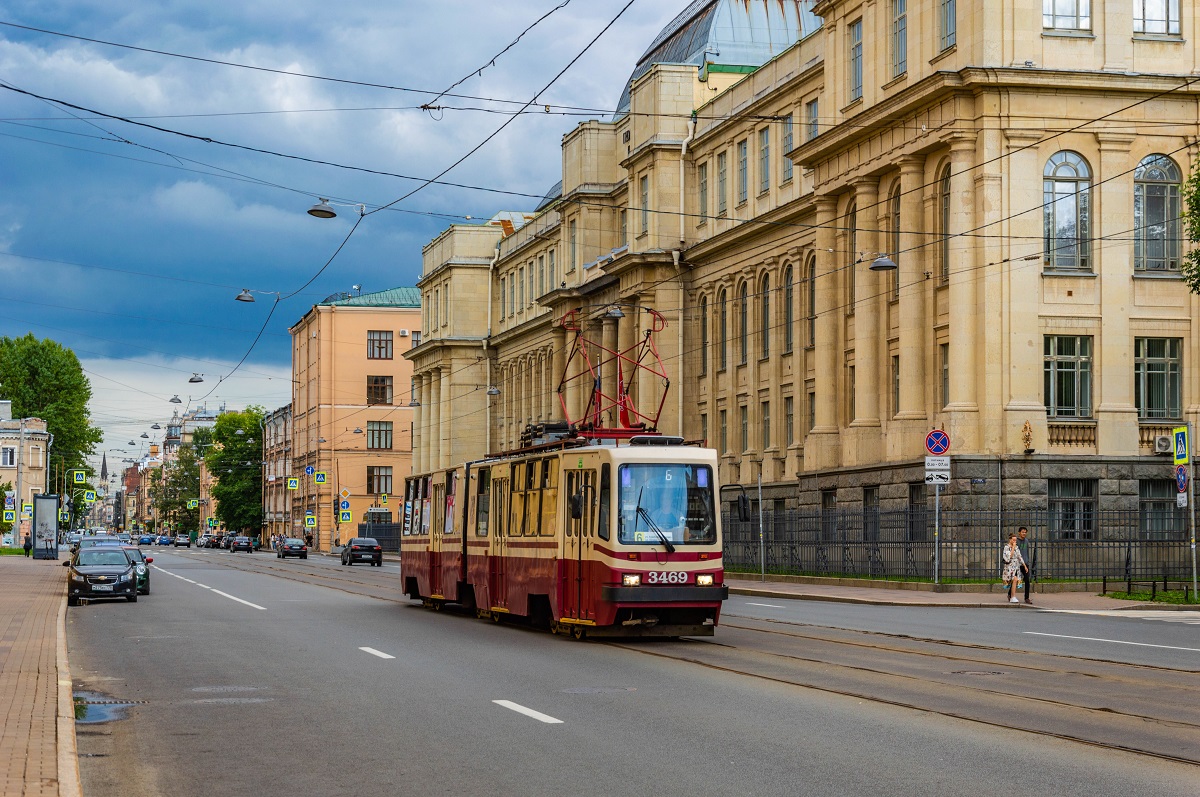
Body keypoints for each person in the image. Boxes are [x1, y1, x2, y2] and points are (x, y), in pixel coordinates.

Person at [1001, 532, 1025, 604]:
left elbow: (1019, 556)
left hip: (1016, 566)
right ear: (1010, 540)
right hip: (1009, 567)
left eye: (1015, 540)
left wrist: (1024, 565)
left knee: (1015, 580)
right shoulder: (1006, 547)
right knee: (1013, 580)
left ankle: (1012, 596)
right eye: (1013, 540)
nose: (1015, 541)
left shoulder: (1016, 547)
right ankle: (1012, 596)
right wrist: (1013, 547)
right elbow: (1009, 557)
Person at [1016, 526, 1033, 605]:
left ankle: (1026, 598)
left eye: (1025, 532)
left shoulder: (1026, 541)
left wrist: (1027, 561)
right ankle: (1010, 594)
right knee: (1015, 580)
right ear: (1019, 533)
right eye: (1022, 532)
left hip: (1025, 564)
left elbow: (1027, 551)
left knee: (1027, 580)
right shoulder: (1017, 541)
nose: (1024, 533)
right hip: (1018, 564)